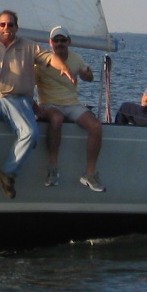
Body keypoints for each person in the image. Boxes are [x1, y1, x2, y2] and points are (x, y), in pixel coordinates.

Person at [0, 10, 74, 199]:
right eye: (3, 24)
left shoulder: (29, 46)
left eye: (10, 24)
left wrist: (64, 67)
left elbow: (49, 58)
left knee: (30, 133)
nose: (7, 28)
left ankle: (7, 172)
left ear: (16, 27)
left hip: (17, 99)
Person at [34, 25, 105, 193]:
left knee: (96, 126)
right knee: (56, 119)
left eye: (63, 40)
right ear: (50, 43)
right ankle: (53, 169)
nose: (59, 43)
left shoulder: (76, 58)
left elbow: (88, 76)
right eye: (56, 40)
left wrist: (88, 76)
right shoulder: (42, 62)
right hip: (49, 103)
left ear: (69, 42)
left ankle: (89, 174)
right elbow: (28, 84)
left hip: (71, 104)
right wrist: (33, 107)